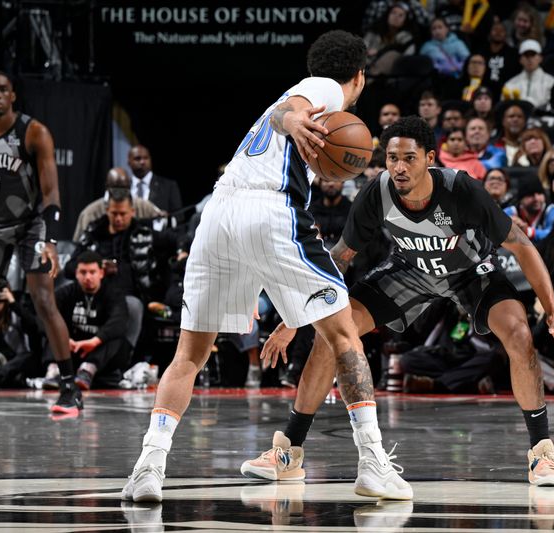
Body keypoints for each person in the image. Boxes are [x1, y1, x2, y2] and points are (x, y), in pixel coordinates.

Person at [121, 30, 411, 503]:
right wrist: (296, 120)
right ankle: (374, 462)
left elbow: (280, 116)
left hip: (220, 213)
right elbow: (291, 109)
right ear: (359, 75)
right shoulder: (325, 89)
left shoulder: (286, 102)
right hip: (269, 208)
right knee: (344, 336)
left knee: (189, 355)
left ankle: (148, 468)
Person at [250, 116, 554, 488]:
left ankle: (542, 452)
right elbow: (338, 259)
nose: (399, 167)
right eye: (391, 158)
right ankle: (289, 450)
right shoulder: (378, 192)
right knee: (333, 332)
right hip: (410, 268)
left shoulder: (461, 190)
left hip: (471, 271)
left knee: (519, 335)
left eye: (409, 158)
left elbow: (521, 244)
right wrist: (294, 320)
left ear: (429, 158)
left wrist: (552, 311)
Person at [0, 71, 79, 415]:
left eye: (2, 90)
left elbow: (51, 192)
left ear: (13, 96)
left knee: (43, 300)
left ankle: (69, 386)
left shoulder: (33, 132)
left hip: (30, 224)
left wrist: (50, 239)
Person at [46, 251, 130, 390]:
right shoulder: (65, 293)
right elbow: (45, 317)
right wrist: (63, 340)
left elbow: (119, 322)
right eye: (83, 272)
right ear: (76, 274)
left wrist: (95, 341)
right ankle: (54, 371)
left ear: (101, 273)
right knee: (50, 331)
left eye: (92, 272)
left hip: (97, 351)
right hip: (69, 348)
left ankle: (87, 371)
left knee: (117, 338)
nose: (88, 277)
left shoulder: (114, 294)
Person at [73, 167, 165, 241]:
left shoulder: (145, 207)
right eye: (115, 188)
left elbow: (162, 227)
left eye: (123, 188)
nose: (119, 194)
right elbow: (79, 244)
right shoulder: (91, 213)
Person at [128, 145, 183, 216]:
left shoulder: (169, 186)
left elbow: (179, 217)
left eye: (146, 158)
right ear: (129, 161)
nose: (142, 162)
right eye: (137, 158)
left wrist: (166, 220)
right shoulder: (124, 186)